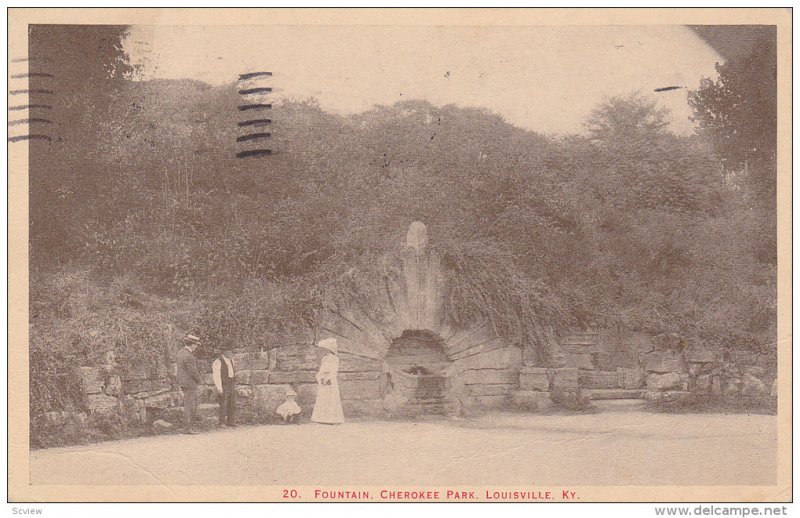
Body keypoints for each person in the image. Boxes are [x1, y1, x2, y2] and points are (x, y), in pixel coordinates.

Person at [311, 338, 344, 424]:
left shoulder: (334, 359)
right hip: (323, 379)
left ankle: (333, 419)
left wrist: (328, 378)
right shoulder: (324, 358)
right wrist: (320, 377)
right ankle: (322, 419)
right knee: (323, 398)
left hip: (330, 380)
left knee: (331, 398)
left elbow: (334, 370)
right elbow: (321, 369)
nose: (324, 351)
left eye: (325, 349)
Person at [176, 333, 203, 434]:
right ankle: (188, 428)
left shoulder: (180, 352)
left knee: (189, 404)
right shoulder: (188, 355)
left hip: (183, 383)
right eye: (196, 345)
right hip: (190, 384)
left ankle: (188, 427)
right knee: (191, 406)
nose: (196, 347)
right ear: (192, 344)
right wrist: (200, 381)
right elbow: (193, 371)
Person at [212, 346, 237, 428]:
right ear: (224, 351)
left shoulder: (231, 361)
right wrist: (219, 388)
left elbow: (232, 372)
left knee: (232, 402)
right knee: (223, 403)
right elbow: (216, 376)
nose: (231, 353)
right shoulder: (218, 361)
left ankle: (231, 421)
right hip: (224, 384)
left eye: (231, 351)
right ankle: (221, 422)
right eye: (229, 351)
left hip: (231, 383)